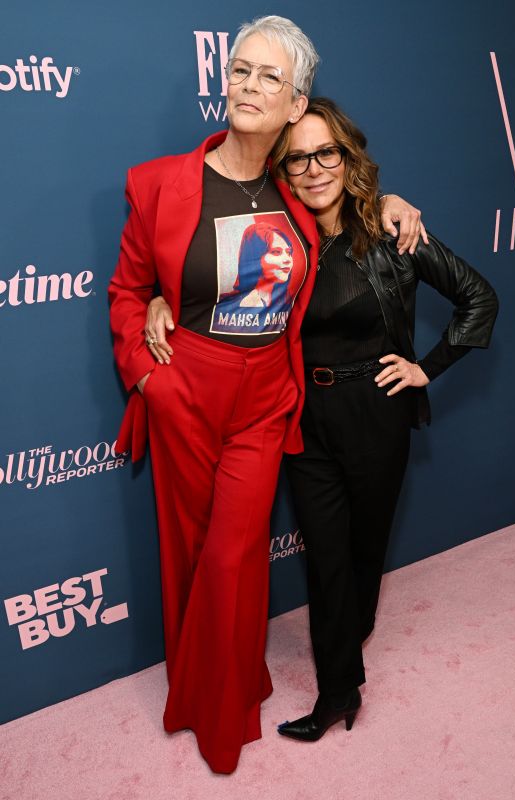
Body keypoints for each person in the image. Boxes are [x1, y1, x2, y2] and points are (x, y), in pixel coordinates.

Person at [110, 15, 424, 774]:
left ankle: (223, 720)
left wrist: (394, 204)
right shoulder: (157, 183)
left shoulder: (299, 193)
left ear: (295, 102)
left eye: (269, 78)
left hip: (262, 400)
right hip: (184, 385)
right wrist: (148, 368)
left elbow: (351, 197)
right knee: (186, 552)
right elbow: (127, 292)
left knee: (234, 556)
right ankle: (195, 691)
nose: (248, 86)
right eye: (240, 70)